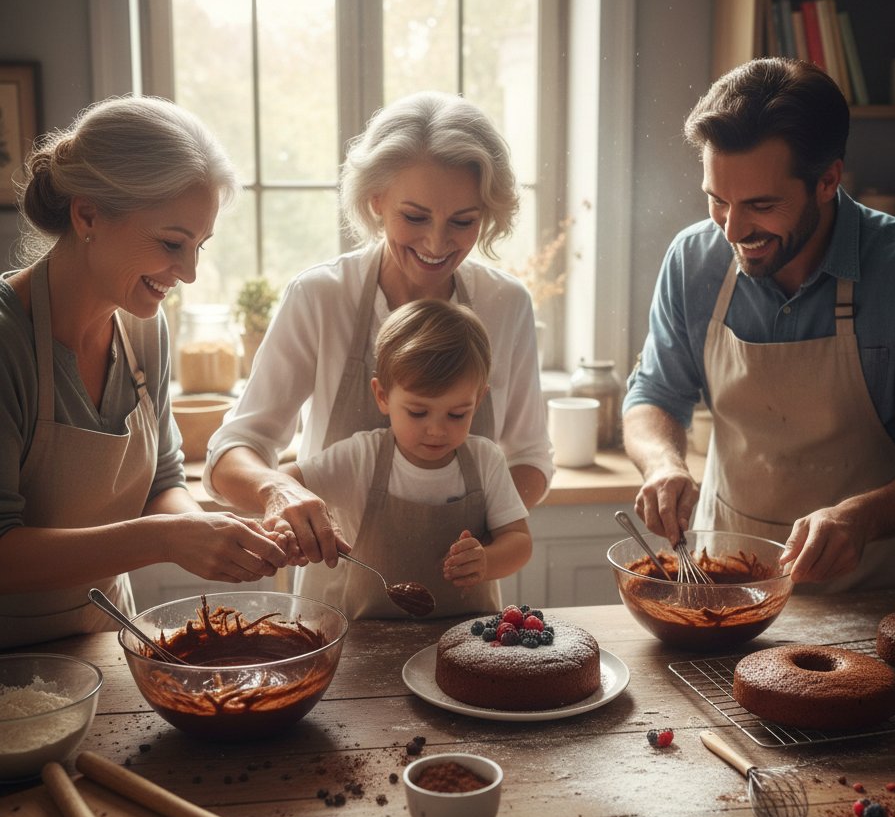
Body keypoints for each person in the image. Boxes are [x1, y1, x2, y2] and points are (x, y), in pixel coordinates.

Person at [623, 57, 895, 592]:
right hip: (724, 588)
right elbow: (654, 393)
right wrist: (662, 464)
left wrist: (862, 518)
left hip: (868, 593)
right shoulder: (693, 260)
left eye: (760, 205)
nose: (732, 229)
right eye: (716, 200)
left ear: (828, 181)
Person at [205, 91, 553, 583]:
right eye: (414, 217)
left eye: (463, 221)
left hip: (462, 586)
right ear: (376, 200)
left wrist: (481, 529)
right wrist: (276, 491)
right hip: (338, 586)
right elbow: (233, 450)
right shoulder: (322, 296)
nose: (436, 243)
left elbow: (530, 458)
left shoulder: (506, 304)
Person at [0, 96, 289, 647]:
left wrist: (214, 534)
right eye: (172, 243)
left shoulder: (142, 326)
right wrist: (167, 539)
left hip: (104, 640)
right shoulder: (6, 342)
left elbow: (161, 480)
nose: (190, 272)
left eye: (200, 246)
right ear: (87, 215)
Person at [271, 298, 531, 618]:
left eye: (456, 414)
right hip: (366, 639)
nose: (436, 430)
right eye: (418, 412)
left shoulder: (485, 461)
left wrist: (488, 560)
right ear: (382, 396)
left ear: (478, 400)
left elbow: (519, 541)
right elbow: (285, 479)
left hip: (467, 638)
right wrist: (285, 518)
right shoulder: (361, 457)